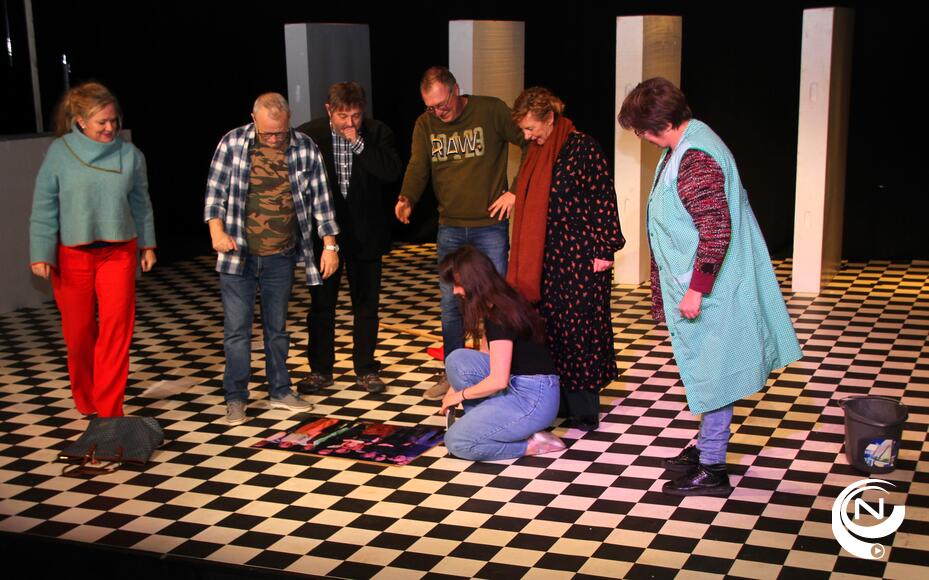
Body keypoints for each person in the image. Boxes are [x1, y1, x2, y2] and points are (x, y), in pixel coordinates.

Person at [618, 77, 802, 496]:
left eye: (641, 130)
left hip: (709, 290)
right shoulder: (684, 145)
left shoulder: (696, 158)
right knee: (708, 369)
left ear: (660, 124)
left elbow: (716, 230)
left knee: (715, 373)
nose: (640, 137)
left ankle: (713, 466)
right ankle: (705, 447)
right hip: (699, 284)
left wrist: (696, 289)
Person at [204, 92, 339, 425]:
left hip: (281, 255)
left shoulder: (305, 147)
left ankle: (279, 390)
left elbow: (322, 200)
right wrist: (216, 232)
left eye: (280, 132)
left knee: (277, 329)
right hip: (238, 255)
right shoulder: (233, 143)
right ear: (254, 120)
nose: (275, 139)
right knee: (237, 331)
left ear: (288, 120)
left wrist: (330, 245)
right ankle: (236, 397)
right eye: (267, 134)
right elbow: (214, 195)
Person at [395, 66, 524, 401]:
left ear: (456, 90)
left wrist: (516, 191)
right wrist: (407, 197)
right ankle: (453, 373)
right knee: (451, 302)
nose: (439, 112)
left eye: (443, 104)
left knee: (496, 301)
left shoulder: (490, 110)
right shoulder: (425, 124)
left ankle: (499, 371)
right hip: (450, 226)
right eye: (431, 107)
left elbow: (531, 141)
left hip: (490, 226)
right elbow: (418, 165)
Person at [29, 81, 157, 418]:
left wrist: (147, 244)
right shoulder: (60, 153)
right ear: (81, 121)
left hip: (119, 251)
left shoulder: (130, 155)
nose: (110, 127)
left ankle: (109, 407)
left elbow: (141, 203)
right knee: (79, 333)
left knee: (116, 330)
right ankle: (86, 397)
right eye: (102, 121)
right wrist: (41, 252)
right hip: (73, 254)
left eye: (114, 120)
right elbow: (44, 205)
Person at [509, 87, 625, 432]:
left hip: (580, 258)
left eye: (531, 128)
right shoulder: (536, 151)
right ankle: (555, 400)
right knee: (551, 331)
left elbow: (603, 198)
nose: (527, 136)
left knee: (579, 332)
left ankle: (584, 407)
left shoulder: (583, 148)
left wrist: (605, 249)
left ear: (549, 117)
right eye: (523, 130)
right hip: (546, 260)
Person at [296, 82, 403, 395]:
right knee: (321, 306)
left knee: (366, 306)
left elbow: (391, 172)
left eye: (355, 115)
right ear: (329, 110)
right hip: (323, 237)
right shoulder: (309, 135)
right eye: (343, 116)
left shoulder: (377, 132)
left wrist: (358, 142)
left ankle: (366, 369)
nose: (350, 122)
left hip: (367, 234)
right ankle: (320, 370)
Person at [438, 245, 564, 461]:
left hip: (534, 399)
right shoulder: (501, 299)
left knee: (457, 442)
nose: (455, 291)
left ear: (473, 282)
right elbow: (488, 357)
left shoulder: (500, 316)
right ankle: (493, 426)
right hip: (521, 385)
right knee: (457, 359)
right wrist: (453, 389)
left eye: (458, 285)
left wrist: (460, 395)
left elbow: (498, 380)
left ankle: (531, 445)